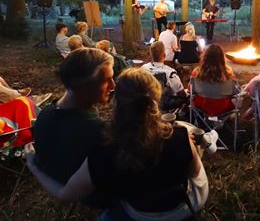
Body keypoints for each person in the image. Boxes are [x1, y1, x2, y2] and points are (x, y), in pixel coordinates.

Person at [25, 68, 208, 220]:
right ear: (156, 99)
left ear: (117, 102)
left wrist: (33, 165)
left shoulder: (104, 149)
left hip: (136, 215)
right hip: (181, 211)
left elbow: (66, 194)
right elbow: (194, 173)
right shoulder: (180, 136)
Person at [32, 48, 115, 206]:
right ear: (85, 85)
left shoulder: (45, 114)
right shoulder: (98, 131)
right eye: (107, 80)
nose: (113, 85)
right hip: (97, 197)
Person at [190, 43, 237, 116]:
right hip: (223, 107)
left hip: (202, 106)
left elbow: (190, 90)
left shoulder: (196, 72)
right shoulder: (229, 74)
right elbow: (235, 92)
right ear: (222, 58)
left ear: (205, 57)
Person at [142, 42, 187, 111]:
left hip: (147, 103)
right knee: (185, 98)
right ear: (164, 55)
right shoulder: (170, 72)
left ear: (150, 55)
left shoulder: (143, 69)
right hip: (163, 105)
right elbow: (181, 93)